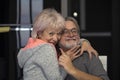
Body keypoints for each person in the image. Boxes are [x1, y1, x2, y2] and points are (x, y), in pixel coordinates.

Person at [17, 8, 97, 80]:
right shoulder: (47, 48)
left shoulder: (31, 48)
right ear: (39, 33)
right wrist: (66, 64)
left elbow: (72, 39)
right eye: (51, 34)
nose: (55, 38)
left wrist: (84, 42)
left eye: (58, 33)